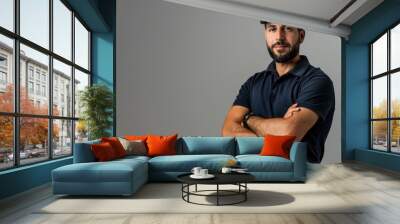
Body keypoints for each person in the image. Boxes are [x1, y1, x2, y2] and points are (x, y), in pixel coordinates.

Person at [221, 21, 335, 163]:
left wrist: (248, 120)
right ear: (266, 35)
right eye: (272, 29)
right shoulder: (254, 82)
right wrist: (277, 133)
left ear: (301, 35)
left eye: (287, 29)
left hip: (299, 178)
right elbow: (228, 130)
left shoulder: (317, 81)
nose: (279, 37)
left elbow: (288, 132)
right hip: (252, 171)